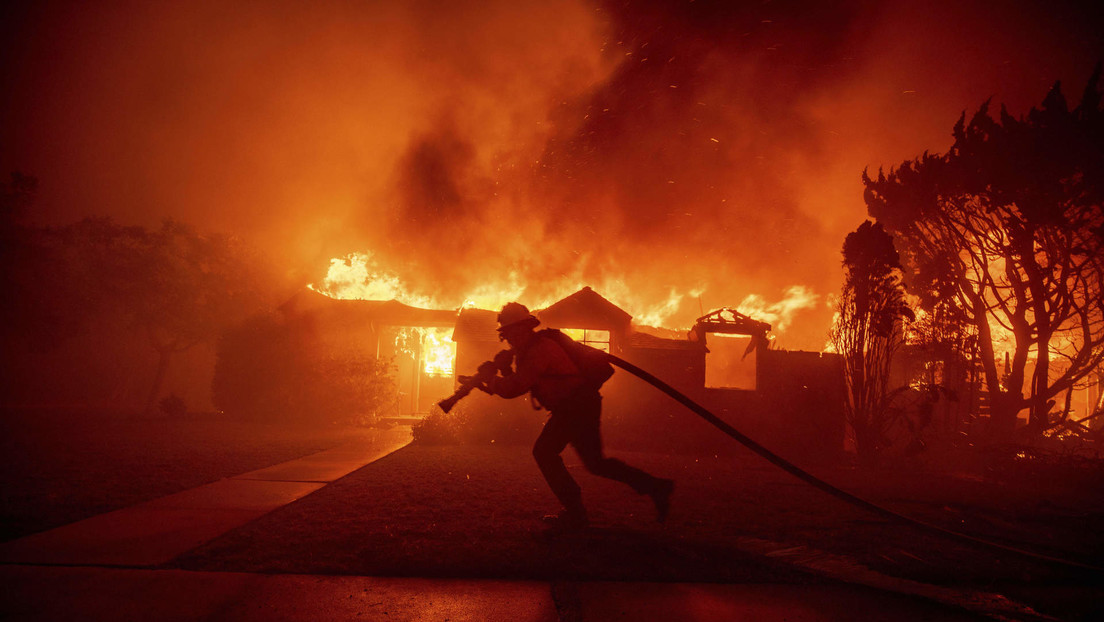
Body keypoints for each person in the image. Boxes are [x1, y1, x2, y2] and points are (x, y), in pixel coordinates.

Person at [481, 302, 674, 530]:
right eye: (506, 334)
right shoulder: (531, 349)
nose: (509, 339)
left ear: (523, 328)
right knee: (595, 463)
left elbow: (515, 388)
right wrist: (504, 371)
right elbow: (523, 381)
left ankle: (576, 514)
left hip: (575, 407)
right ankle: (655, 487)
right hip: (577, 406)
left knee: (545, 452)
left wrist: (491, 379)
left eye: (510, 332)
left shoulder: (539, 350)